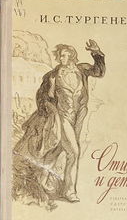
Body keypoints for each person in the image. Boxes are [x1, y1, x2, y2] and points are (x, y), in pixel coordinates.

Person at [14, 40, 105, 205]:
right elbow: (42, 97)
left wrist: (96, 53)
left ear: (72, 56)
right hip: (62, 117)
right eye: (59, 56)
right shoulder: (52, 76)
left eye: (63, 55)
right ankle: (69, 191)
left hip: (79, 116)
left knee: (60, 149)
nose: (60, 58)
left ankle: (40, 178)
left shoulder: (82, 70)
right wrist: (50, 110)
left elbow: (99, 72)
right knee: (73, 152)